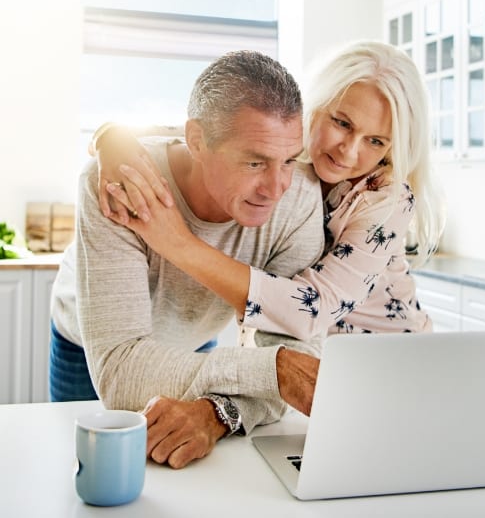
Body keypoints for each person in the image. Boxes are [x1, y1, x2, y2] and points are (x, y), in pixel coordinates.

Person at [49, 50, 325, 469]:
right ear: (196, 141)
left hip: (196, 342)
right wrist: (275, 371)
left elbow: (298, 370)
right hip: (90, 348)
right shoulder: (120, 181)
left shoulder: (301, 201)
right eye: (254, 162)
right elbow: (120, 373)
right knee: (87, 475)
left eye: (289, 160)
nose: (277, 187)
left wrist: (219, 411)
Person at [100, 41, 445, 343]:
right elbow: (218, 133)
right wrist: (112, 136)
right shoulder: (290, 151)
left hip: (391, 353)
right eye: (342, 123)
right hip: (313, 360)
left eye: (375, 141)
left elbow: (313, 307)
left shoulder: (387, 198)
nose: (349, 152)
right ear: (315, 107)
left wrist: (179, 243)